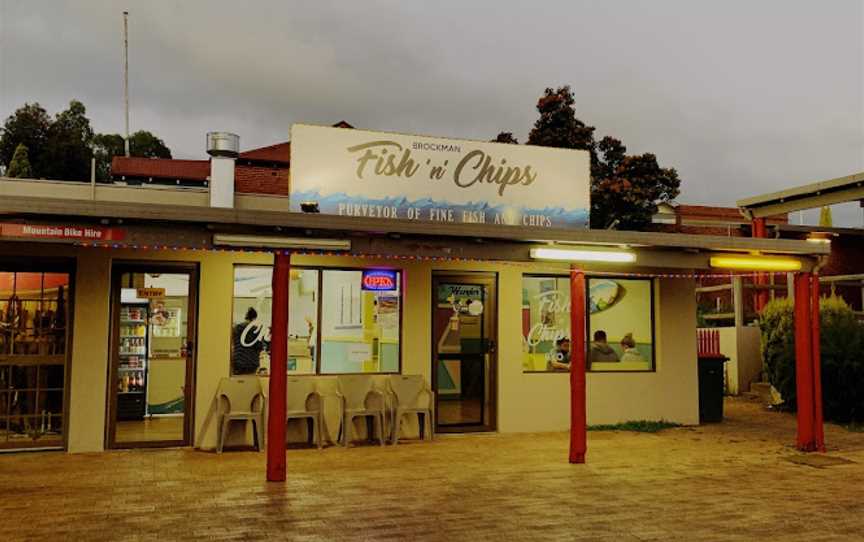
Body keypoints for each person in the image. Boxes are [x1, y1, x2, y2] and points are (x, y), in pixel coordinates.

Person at [232, 307, 265, 375]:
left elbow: (233, 342)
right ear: (254, 318)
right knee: (250, 382)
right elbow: (259, 346)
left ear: (246, 317)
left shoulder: (237, 328)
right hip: (251, 361)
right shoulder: (256, 330)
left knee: (238, 383)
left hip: (238, 360)